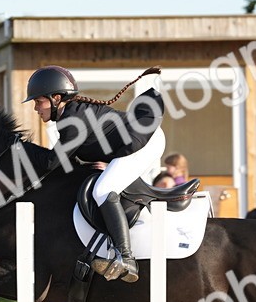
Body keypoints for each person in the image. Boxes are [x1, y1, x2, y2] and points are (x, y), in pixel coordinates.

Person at [25, 65, 165, 284]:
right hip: (138, 141)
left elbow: (52, 162)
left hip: (145, 143)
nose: (35, 108)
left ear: (56, 98)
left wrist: (22, 152)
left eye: (38, 101)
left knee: (103, 190)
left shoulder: (74, 120)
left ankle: (126, 257)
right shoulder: (70, 116)